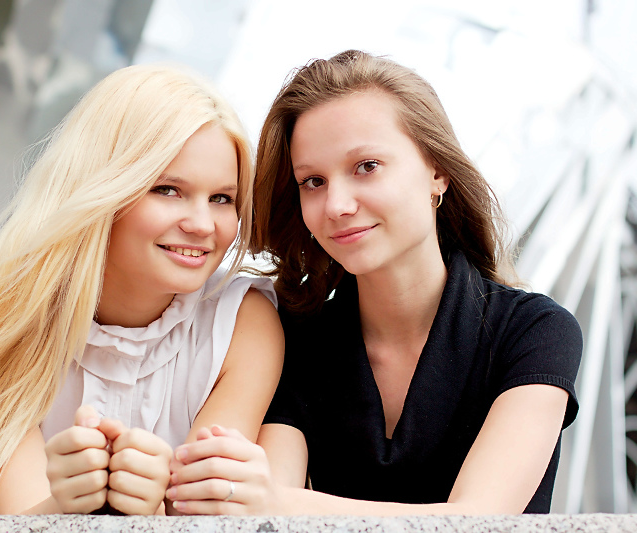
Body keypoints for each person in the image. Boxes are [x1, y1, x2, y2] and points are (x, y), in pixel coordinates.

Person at [165, 50, 583, 515]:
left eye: (367, 166)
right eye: (313, 181)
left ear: (437, 172)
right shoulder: (298, 336)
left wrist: (276, 501)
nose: (337, 205)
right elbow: (262, 509)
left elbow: (480, 518)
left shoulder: (534, 331)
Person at [0, 64, 283, 515]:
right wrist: (64, 505)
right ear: (102, 187)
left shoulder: (242, 322)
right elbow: (18, 519)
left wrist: (156, 507)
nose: (202, 225)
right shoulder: (2, 323)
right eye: (168, 189)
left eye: (222, 199)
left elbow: (210, 510)